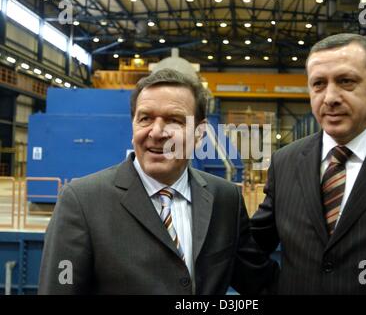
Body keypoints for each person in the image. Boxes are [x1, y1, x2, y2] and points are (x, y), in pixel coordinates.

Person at [39, 68, 277, 294]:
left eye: (174, 120)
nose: (156, 132)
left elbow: (261, 282)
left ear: (200, 133)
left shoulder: (225, 200)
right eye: (145, 119)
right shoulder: (82, 202)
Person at [251, 33, 366, 294]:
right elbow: (252, 247)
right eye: (318, 84)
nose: (330, 97)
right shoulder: (286, 162)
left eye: (345, 81)